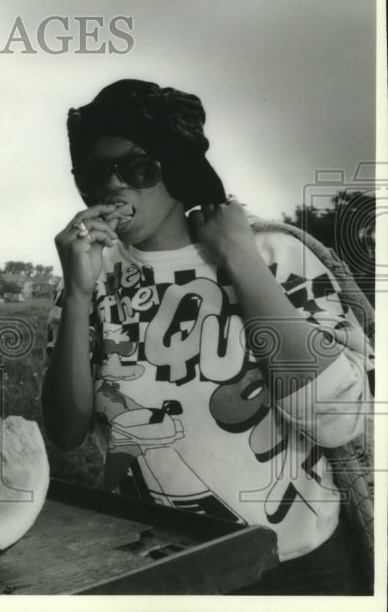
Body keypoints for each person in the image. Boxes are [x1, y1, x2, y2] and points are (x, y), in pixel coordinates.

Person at [40, 79, 374, 594]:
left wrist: (240, 260)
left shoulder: (273, 256)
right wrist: (79, 294)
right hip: (166, 564)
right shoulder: (90, 279)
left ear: (175, 167)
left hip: (303, 562)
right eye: (94, 173)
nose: (113, 187)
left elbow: (339, 421)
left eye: (136, 168)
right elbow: (66, 435)